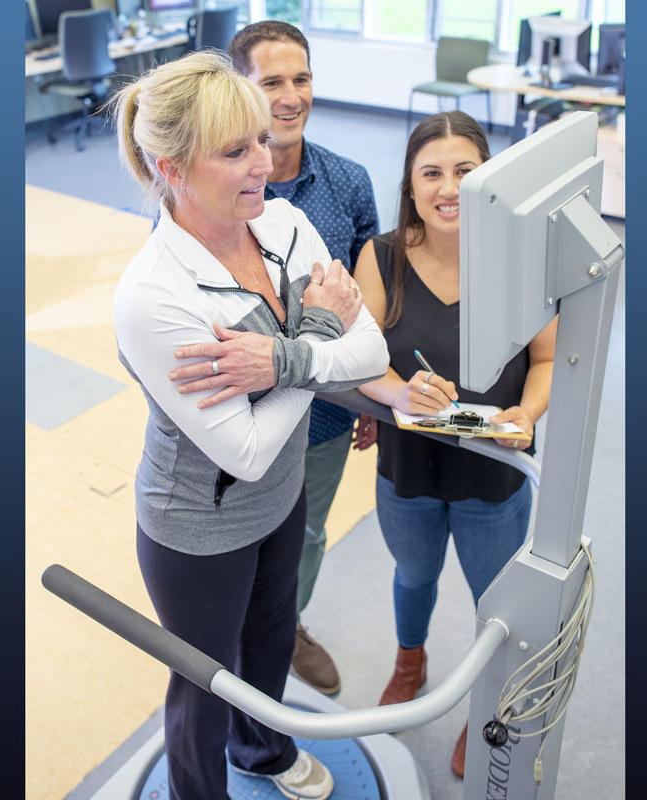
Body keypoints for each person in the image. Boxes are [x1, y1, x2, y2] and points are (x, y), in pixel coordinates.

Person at [107, 52, 388, 800]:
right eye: (237, 151)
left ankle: (262, 754)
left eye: (263, 141)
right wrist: (319, 341)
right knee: (203, 684)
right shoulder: (153, 296)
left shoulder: (284, 224)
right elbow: (249, 447)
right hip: (196, 524)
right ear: (170, 167)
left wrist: (284, 361)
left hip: (283, 496)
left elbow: (374, 350)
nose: (266, 161)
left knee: (269, 641)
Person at [349, 111, 558, 780]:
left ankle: (488, 704)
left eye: (465, 172)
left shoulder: (523, 262)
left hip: (493, 474)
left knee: (496, 606)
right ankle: (410, 662)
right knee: (414, 575)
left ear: (489, 179)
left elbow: (549, 359)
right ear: (409, 186)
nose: (448, 188)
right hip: (406, 468)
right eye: (430, 173)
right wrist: (398, 393)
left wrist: (526, 410)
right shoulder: (380, 258)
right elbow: (360, 363)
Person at [225, 19, 379, 697]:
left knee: (308, 536)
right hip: (234, 417)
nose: (290, 97)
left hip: (325, 416)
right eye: (271, 83)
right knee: (234, 551)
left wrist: (375, 389)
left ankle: (287, 628)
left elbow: (372, 306)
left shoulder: (348, 184)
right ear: (239, 92)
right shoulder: (210, 191)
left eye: (302, 79)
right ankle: (240, 642)